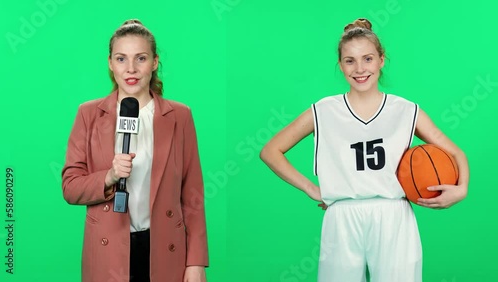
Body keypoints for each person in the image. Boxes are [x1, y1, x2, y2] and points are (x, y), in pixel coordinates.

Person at [260, 18, 469, 282]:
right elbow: (270, 150)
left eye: (367, 59)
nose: (359, 68)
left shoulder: (406, 110)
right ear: (340, 64)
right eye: (350, 60)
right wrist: (311, 189)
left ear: (382, 60)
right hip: (342, 216)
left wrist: (462, 189)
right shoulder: (323, 110)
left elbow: (456, 153)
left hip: (394, 215)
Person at [62, 19, 208, 282]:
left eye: (140, 58)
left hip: (164, 248)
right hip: (108, 252)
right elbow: (70, 187)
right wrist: (108, 176)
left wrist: (196, 262)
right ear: (110, 63)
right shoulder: (88, 114)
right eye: (121, 59)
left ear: (154, 62)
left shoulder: (180, 116)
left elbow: (193, 194)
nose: (131, 69)